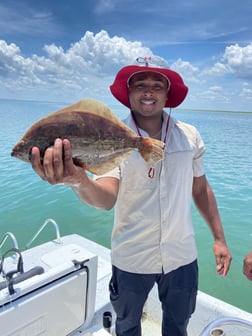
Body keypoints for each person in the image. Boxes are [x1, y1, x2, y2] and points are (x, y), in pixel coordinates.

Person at [30, 57, 232, 336]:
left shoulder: (189, 136)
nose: (148, 91)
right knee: (127, 326)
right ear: (129, 93)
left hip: (182, 255)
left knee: (179, 326)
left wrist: (219, 238)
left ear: (167, 93)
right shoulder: (107, 135)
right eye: (140, 85)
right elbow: (106, 198)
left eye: (157, 85)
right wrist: (79, 181)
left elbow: (200, 188)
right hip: (131, 258)